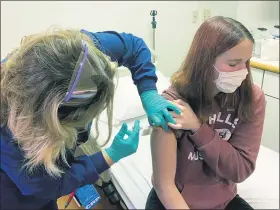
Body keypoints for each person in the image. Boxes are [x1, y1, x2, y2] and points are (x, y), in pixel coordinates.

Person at [0, 28, 178, 209]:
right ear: (55, 122)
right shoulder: (13, 144)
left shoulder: (79, 55)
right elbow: (52, 185)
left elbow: (134, 46)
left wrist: (148, 92)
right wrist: (110, 155)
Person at [145, 16, 266, 210]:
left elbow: (240, 169)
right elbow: (164, 185)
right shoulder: (172, 103)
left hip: (223, 201)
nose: (243, 72)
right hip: (175, 199)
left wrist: (197, 128)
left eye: (247, 62)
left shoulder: (252, 98)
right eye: (233, 64)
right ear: (204, 61)